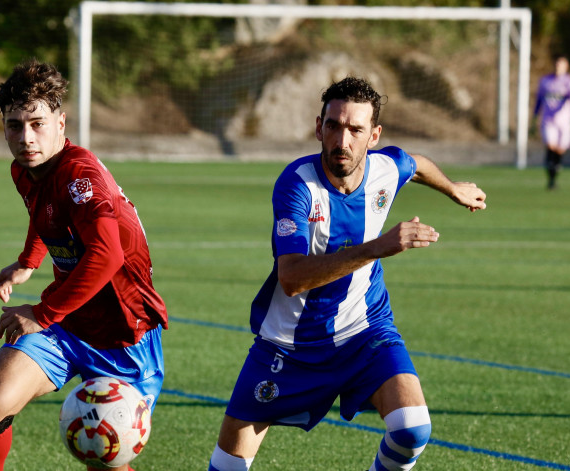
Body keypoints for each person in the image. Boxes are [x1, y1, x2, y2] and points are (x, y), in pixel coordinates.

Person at [208, 77, 487, 471]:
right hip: (289, 346)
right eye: (334, 126)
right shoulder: (296, 185)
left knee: (412, 428)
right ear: (318, 127)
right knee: (229, 466)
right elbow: (292, 278)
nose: (343, 140)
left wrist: (453, 188)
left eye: (355, 129)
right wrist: (377, 248)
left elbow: (417, 165)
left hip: (364, 329)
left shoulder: (386, 169)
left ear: (373, 135)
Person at [0, 59, 168, 471]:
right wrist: (27, 262)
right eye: (14, 125)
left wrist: (40, 313)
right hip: (68, 322)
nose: (26, 138)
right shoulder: (27, 171)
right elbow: (46, 214)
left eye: (37, 123)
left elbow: (106, 255)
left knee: (104, 456)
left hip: (122, 336)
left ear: (60, 121)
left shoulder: (81, 176)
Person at [533, 54, 570, 190]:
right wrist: (534, 117)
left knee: (560, 150)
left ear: (566, 67)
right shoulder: (545, 81)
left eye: (561, 64)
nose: (558, 67)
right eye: (556, 64)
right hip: (548, 121)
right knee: (550, 146)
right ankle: (551, 178)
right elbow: (539, 100)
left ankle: (555, 169)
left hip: (564, 122)